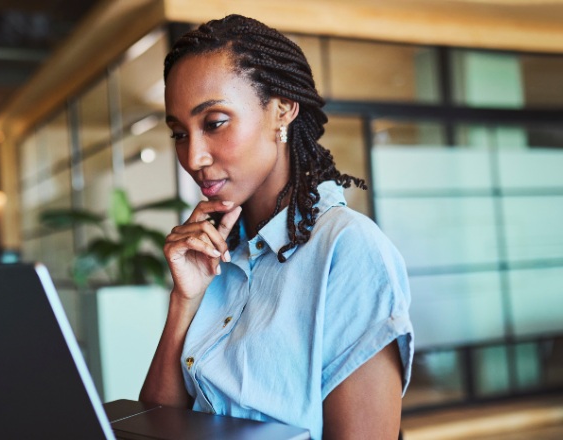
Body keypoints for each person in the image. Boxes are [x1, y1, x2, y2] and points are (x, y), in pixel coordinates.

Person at [139, 15, 413, 439]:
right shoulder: (216, 254)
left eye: (214, 123)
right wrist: (184, 301)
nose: (193, 157)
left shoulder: (347, 250)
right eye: (179, 133)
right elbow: (153, 423)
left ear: (281, 109)